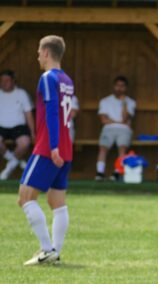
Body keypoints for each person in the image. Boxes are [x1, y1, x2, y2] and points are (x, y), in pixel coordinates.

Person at [18, 35, 74, 265]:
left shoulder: (47, 77)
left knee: (25, 197)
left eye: (39, 52)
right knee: (56, 201)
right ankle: (55, 253)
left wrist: (52, 146)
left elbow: (52, 112)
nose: (38, 56)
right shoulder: (67, 79)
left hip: (48, 148)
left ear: (47, 53)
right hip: (67, 147)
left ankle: (46, 249)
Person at [95, 76, 136, 181]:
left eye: (122, 86)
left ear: (126, 88)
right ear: (114, 86)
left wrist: (124, 104)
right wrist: (119, 122)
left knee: (122, 148)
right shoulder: (105, 101)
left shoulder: (130, 102)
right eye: (117, 85)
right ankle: (100, 173)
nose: (119, 88)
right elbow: (104, 120)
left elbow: (126, 118)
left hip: (124, 129)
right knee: (103, 147)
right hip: (108, 128)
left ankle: (117, 173)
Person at [0, 70, 34, 180]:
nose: (4, 83)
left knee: (25, 143)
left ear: (13, 81)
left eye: (7, 80)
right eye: (2, 81)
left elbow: (28, 114)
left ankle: (9, 168)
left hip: (19, 127)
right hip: (1, 126)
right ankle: (16, 162)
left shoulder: (22, 94)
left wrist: (33, 132)